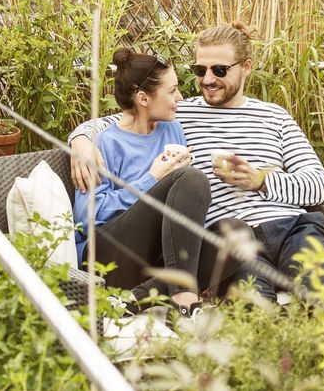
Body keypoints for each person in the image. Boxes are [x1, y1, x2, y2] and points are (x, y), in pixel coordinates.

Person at [70, 22, 324, 301]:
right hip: (232, 238)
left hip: (292, 228)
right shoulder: (178, 113)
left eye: (220, 70)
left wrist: (260, 180)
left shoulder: (275, 116)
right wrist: (81, 139)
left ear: (247, 67)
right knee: (254, 311)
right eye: (199, 70)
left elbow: (318, 185)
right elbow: (125, 119)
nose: (207, 79)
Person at [74, 47, 246, 318]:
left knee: (238, 234)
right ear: (143, 98)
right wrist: (152, 179)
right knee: (190, 178)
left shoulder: (172, 127)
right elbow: (87, 217)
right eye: (172, 91)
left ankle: (139, 298)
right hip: (107, 258)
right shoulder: (105, 143)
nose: (180, 97)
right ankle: (183, 295)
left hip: (156, 260)